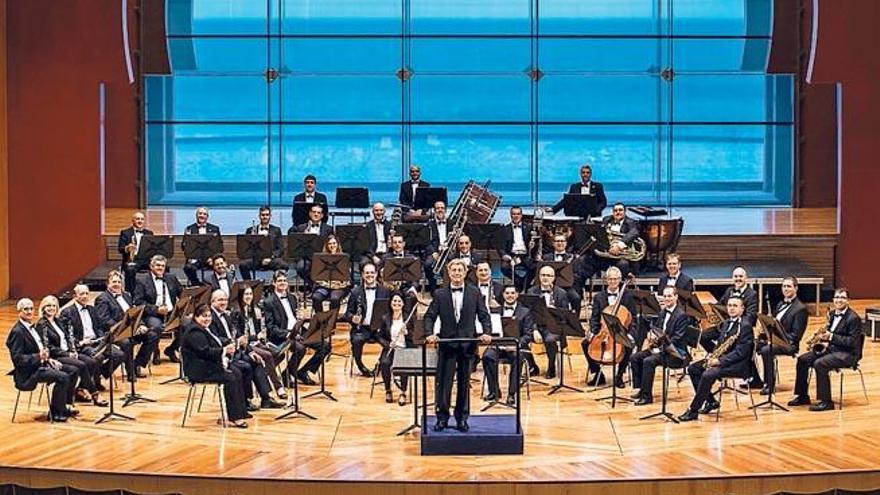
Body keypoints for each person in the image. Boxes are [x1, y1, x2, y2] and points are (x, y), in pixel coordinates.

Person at [424, 259, 493, 432]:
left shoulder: (474, 292)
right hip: (447, 345)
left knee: (464, 384)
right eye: (453, 270)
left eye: (459, 270)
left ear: (465, 273)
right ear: (448, 273)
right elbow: (429, 316)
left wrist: (487, 332)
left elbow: (484, 315)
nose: (456, 273)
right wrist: (429, 334)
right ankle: (442, 417)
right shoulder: (440, 294)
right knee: (444, 383)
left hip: (467, 345)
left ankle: (462, 418)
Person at [678, 296, 754, 421]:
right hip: (722, 359)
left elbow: (741, 352)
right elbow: (720, 344)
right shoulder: (726, 323)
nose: (731, 308)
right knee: (693, 369)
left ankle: (693, 410)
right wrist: (712, 356)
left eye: (735, 306)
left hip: (737, 365)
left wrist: (719, 361)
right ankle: (711, 401)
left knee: (708, 375)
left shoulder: (745, 326)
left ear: (742, 308)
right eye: (729, 305)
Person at [788, 288, 863, 411]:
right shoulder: (832, 314)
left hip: (848, 354)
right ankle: (802, 396)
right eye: (837, 297)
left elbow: (852, 342)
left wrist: (832, 337)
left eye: (842, 297)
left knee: (820, 363)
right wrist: (822, 338)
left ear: (848, 301)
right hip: (833, 349)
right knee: (803, 359)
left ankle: (827, 402)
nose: (839, 300)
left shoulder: (853, 318)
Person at [208, 290, 282, 410]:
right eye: (220, 300)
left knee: (256, 360)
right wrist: (235, 342)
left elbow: (238, 335)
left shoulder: (226, 316)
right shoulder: (209, 317)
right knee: (246, 366)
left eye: (225, 300)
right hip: (223, 355)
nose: (223, 302)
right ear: (212, 302)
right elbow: (214, 338)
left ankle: (266, 398)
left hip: (236, 351)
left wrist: (250, 351)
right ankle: (245, 401)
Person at [7, 298, 78, 422]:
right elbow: (18, 360)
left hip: (42, 364)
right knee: (63, 377)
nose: (29, 311)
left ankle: (62, 407)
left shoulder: (31, 327)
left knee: (73, 370)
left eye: (31, 308)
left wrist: (49, 359)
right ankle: (56, 411)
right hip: (30, 371)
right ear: (19, 311)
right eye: (26, 309)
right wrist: (38, 357)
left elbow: (41, 350)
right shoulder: (18, 332)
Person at [180, 303, 249, 428]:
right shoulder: (194, 331)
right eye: (203, 316)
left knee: (237, 372)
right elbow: (205, 351)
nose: (207, 319)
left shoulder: (204, 328)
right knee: (231, 377)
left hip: (208, 366)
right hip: (199, 370)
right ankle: (234, 417)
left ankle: (240, 412)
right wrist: (224, 351)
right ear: (196, 317)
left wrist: (227, 345)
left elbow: (214, 342)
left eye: (209, 316)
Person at [262, 270, 330, 385]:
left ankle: (302, 372)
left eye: (284, 281)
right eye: (279, 281)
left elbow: (294, 318)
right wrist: (287, 334)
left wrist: (303, 319)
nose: (283, 283)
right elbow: (271, 328)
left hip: (298, 331)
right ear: (274, 283)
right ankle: (287, 375)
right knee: (300, 348)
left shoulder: (292, 298)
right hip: (284, 335)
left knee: (325, 345)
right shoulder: (269, 302)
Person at [37, 295, 107, 406]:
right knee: (81, 365)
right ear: (43, 308)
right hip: (57, 356)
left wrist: (73, 349)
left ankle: (80, 389)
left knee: (92, 362)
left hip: (68, 352)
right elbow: (49, 347)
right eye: (48, 306)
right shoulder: (42, 324)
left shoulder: (58, 321)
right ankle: (95, 394)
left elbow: (68, 338)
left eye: (54, 306)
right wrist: (68, 353)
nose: (51, 308)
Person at [629, 286, 691, 405]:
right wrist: (653, 338)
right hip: (661, 348)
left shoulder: (681, 315)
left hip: (676, 353)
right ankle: (641, 389)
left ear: (676, 297)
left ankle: (647, 397)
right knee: (635, 357)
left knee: (648, 361)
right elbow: (659, 330)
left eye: (670, 296)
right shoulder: (663, 312)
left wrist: (659, 348)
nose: (667, 298)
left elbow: (677, 339)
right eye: (665, 296)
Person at [747, 276, 808, 395]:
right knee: (748, 344)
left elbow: (796, 336)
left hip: (788, 344)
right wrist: (765, 331)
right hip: (774, 339)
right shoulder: (780, 304)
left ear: (796, 288)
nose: (786, 289)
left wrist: (774, 340)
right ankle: (754, 379)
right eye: (784, 286)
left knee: (766, 350)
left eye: (789, 286)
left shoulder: (800, 309)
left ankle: (769, 385)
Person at [93, 272, 157, 379]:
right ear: (107, 284)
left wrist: (140, 325)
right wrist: (123, 329)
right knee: (127, 342)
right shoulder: (102, 299)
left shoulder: (126, 296)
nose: (117, 284)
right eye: (114, 282)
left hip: (130, 330)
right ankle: (131, 372)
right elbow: (104, 320)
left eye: (119, 282)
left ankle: (137, 363)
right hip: (113, 332)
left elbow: (134, 313)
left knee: (152, 335)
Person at [581, 266, 636, 388]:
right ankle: (598, 373)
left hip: (621, 332)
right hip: (603, 332)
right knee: (585, 343)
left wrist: (630, 334)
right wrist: (593, 332)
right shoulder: (599, 297)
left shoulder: (628, 297)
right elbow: (595, 318)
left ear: (620, 280)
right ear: (606, 280)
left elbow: (634, 320)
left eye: (615, 279)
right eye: (610, 279)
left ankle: (620, 376)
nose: (613, 282)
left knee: (628, 345)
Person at [230, 284, 286, 400]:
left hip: (255, 342)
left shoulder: (253, 309)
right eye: (246, 294)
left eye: (250, 294)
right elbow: (238, 335)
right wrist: (255, 337)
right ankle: (278, 387)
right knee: (268, 355)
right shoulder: (236, 311)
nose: (249, 296)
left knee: (279, 353)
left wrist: (261, 337)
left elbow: (258, 329)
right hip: (245, 346)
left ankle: (264, 374)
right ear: (240, 296)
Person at [482, 286, 534, 406]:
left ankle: (512, 393)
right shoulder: (495, 311)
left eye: (512, 293)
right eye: (507, 293)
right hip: (497, 346)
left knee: (518, 358)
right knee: (487, 356)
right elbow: (490, 330)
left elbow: (528, 335)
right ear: (503, 295)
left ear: (517, 295)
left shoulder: (525, 312)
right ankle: (494, 391)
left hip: (516, 347)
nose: (510, 295)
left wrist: (516, 344)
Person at [133, 254, 183, 365]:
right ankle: (149, 355)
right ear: (151, 267)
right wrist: (156, 309)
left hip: (171, 313)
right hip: (153, 314)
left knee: (189, 324)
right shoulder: (142, 280)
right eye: (158, 265)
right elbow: (138, 302)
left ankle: (171, 349)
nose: (160, 268)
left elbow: (182, 293)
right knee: (156, 328)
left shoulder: (171, 278)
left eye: (163, 266)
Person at [343, 262, 389, 377]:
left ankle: (379, 366)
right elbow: (347, 313)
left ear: (376, 274)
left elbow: (389, 311)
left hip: (379, 329)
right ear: (362, 275)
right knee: (356, 341)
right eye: (367, 273)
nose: (370, 275)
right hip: (362, 328)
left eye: (372, 273)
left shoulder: (385, 291)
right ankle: (362, 367)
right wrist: (352, 318)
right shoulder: (355, 292)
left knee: (390, 344)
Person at [526, 265, 571, 379]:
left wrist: (554, 312)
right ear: (539, 277)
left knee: (550, 340)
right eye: (543, 275)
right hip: (536, 326)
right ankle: (532, 366)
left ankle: (551, 367)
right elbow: (528, 314)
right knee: (519, 337)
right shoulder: (531, 291)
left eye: (548, 275)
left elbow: (565, 316)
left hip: (553, 327)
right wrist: (535, 330)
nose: (545, 278)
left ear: (554, 278)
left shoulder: (561, 293)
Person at [701, 266, 759, 354]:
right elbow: (720, 305)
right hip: (726, 325)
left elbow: (750, 316)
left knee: (728, 342)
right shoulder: (729, 290)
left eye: (740, 276)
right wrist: (711, 311)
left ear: (746, 278)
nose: (738, 279)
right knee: (703, 336)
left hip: (739, 328)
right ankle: (717, 355)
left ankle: (723, 357)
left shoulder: (752, 294)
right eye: (736, 276)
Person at [376, 292, 415, 405]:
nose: (396, 303)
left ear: (403, 303)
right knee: (384, 363)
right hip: (391, 348)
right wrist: (388, 344)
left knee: (403, 367)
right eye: (394, 301)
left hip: (404, 348)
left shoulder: (408, 317)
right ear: (390, 303)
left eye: (399, 301)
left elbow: (415, 336)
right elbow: (379, 336)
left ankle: (403, 392)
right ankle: (388, 390)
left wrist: (407, 332)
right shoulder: (385, 318)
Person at [290, 204, 333, 290]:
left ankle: (323, 288)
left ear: (322, 215)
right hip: (306, 257)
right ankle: (315, 286)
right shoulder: (301, 227)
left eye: (318, 213)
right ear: (310, 213)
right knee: (301, 267)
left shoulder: (328, 229)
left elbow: (331, 244)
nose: (316, 214)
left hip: (322, 257)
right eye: (314, 212)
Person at [240, 205, 288, 280]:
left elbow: (280, 249)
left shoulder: (276, 230)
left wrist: (271, 257)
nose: (265, 217)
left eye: (267, 215)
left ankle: (276, 284)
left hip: (271, 259)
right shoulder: (250, 230)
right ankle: (249, 286)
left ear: (270, 216)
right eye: (262, 215)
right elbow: (246, 249)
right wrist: (252, 238)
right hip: (256, 260)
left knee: (283, 265)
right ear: (259, 216)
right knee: (243, 265)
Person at [595, 202, 641, 277]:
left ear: (625, 212)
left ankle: (623, 286)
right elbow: (601, 235)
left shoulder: (631, 222)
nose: (618, 212)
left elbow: (634, 232)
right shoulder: (606, 220)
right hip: (607, 255)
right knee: (592, 259)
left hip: (622, 256)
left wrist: (619, 246)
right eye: (615, 210)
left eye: (620, 210)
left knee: (623, 264)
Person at [182, 206, 222, 286]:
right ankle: (197, 285)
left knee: (221, 266)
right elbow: (183, 246)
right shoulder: (189, 228)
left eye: (204, 214)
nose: (202, 215)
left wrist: (213, 258)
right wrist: (190, 254)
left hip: (210, 259)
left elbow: (220, 246)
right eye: (200, 213)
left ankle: (217, 286)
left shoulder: (215, 229)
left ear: (207, 217)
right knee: (188, 268)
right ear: (196, 215)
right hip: (195, 259)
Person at [311, 235, 352, 311]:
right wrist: (325, 284)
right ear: (326, 245)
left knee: (335, 299)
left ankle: (331, 319)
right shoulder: (320, 258)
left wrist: (338, 285)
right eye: (330, 244)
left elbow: (347, 277)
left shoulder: (344, 258)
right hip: (324, 286)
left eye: (334, 243)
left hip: (339, 287)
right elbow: (317, 277)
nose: (332, 245)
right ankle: (320, 318)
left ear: (338, 244)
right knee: (316, 297)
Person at [499, 206, 535, 290]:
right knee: (504, 267)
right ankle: (520, 283)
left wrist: (532, 246)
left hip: (525, 255)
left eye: (518, 214)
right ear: (510, 215)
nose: (516, 216)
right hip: (511, 256)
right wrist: (504, 255)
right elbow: (500, 246)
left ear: (521, 215)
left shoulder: (529, 228)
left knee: (534, 267)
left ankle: (523, 286)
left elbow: (534, 244)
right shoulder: (505, 229)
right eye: (514, 214)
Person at [117, 211, 154, 293]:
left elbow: (152, 249)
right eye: (137, 219)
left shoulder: (149, 233)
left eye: (142, 219)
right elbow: (120, 249)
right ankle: (131, 294)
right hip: (131, 260)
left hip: (145, 261)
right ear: (133, 220)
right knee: (130, 269)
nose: (140, 221)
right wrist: (128, 248)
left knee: (161, 268)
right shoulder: (125, 233)